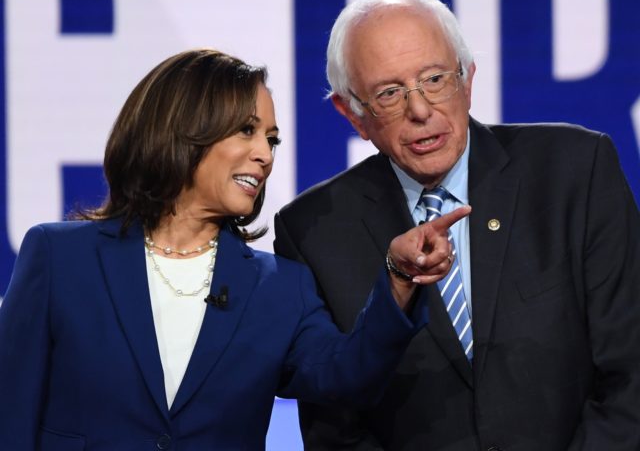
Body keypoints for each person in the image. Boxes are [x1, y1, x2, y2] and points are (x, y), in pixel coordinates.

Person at [0, 48, 470, 450]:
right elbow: (11, 413)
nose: (265, 155)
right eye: (246, 130)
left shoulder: (279, 287)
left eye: (271, 139)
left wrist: (397, 278)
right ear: (182, 129)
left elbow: (347, 376)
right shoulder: (60, 260)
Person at [274, 0, 640, 451]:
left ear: (467, 79)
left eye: (434, 79)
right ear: (353, 114)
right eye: (389, 93)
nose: (421, 110)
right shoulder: (314, 231)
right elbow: (335, 430)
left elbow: (630, 372)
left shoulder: (574, 170)